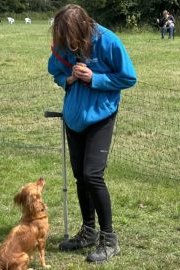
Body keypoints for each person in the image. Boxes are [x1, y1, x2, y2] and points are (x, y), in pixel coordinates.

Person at [48, 4, 137, 264]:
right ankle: (88, 232)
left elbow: (128, 78)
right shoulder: (63, 43)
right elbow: (55, 71)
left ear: (83, 28)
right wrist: (69, 79)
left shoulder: (108, 41)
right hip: (73, 118)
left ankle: (109, 239)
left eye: (70, 38)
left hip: (101, 115)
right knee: (80, 176)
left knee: (92, 174)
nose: (66, 44)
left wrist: (94, 78)